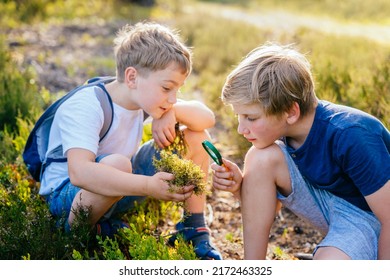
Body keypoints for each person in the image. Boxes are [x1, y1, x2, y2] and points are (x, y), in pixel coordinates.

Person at [39, 21, 222, 260]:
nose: (173, 97)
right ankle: (74, 240)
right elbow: (79, 172)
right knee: (118, 164)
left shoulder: (141, 99)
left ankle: (193, 229)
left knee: (196, 137)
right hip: (68, 198)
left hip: (117, 187)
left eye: (177, 90)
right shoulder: (87, 105)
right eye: (167, 88)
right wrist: (148, 186)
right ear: (132, 77)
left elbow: (206, 118)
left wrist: (173, 112)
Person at [211, 42, 390, 260]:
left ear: (290, 111)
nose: (241, 129)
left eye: (251, 117)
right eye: (240, 117)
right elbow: (272, 204)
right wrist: (242, 186)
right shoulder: (288, 129)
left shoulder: (352, 135)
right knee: (260, 157)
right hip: (331, 202)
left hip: (370, 217)